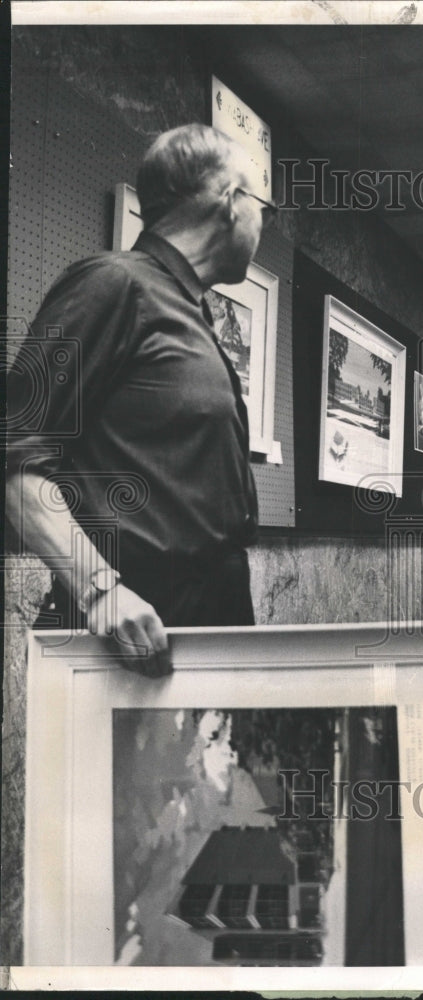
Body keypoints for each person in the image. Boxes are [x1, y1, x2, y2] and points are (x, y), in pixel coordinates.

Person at [6, 124, 272, 677]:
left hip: (205, 621)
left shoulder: (188, 308)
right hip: (131, 630)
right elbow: (16, 458)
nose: (264, 222)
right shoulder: (111, 284)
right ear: (230, 202)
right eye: (264, 206)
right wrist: (100, 591)